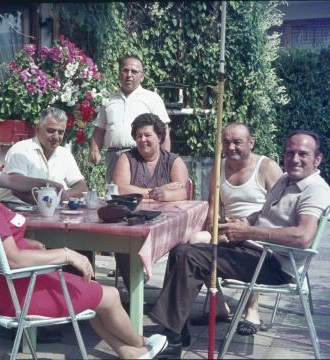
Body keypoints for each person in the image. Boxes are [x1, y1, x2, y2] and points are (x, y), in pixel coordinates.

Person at [0, 121, 169, 359]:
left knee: (91, 293)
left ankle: (129, 353)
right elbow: (14, 260)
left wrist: (30, 245)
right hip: (18, 295)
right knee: (109, 295)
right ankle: (145, 346)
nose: (0, 164)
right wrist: (68, 253)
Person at [149, 130, 330, 358]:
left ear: (317, 159)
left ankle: (170, 341)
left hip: (277, 265)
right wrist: (245, 222)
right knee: (180, 249)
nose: (294, 159)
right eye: (290, 153)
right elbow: (265, 213)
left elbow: (303, 236)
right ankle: (177, 330)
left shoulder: (316, 189)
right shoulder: (286, 179)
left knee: (192, 257)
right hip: (255, 249)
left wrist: (249, 231)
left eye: (303, 154)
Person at [189, 123, 283, 336]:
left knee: (251, 247)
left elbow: (280, 209)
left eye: (237, 142)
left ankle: (252, 309)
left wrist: (249, 224)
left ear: (251, 142)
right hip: (227, 229)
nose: (231, 147)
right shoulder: (218, 168)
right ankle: (219, 304)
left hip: (258, 230)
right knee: (193, 241)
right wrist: (215, 225)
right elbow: (213, 206)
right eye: (226, 142)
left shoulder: (267, 167)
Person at [112, 113, 189, 289]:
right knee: (121, 240)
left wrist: (166, 195)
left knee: (184, 247)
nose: (143, 140)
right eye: (138, 136)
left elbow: (182, 192)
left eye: (148, 135)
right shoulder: (127, 158)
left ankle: (168, 299)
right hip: (134, 220)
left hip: (168, 222)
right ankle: (134, 291)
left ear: (160, 137)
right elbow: (121, 188)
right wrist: (156, 191)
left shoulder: (173, 161)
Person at [89, 55, 172, 183]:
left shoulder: (152, 98)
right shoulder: (108, 99)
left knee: (141, 195)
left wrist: (163, 161)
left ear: (142, 76)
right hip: (113, 157)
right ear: (119, 74)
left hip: (140, 156)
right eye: (125, 70)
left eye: (134, 71)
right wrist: (94, 150)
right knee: (115, 196)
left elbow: (164, 131)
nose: (129, 75)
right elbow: (99, 130)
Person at [0, 107, 88, 205]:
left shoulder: (64, 154)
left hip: (48, 210)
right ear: (38, 128)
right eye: (51, 131)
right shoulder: (21, 150)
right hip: (13, 208)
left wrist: (57, 198)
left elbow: (82, 188)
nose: (56, 137)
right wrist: (51, 200)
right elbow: (16, 189)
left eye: (61, 132)